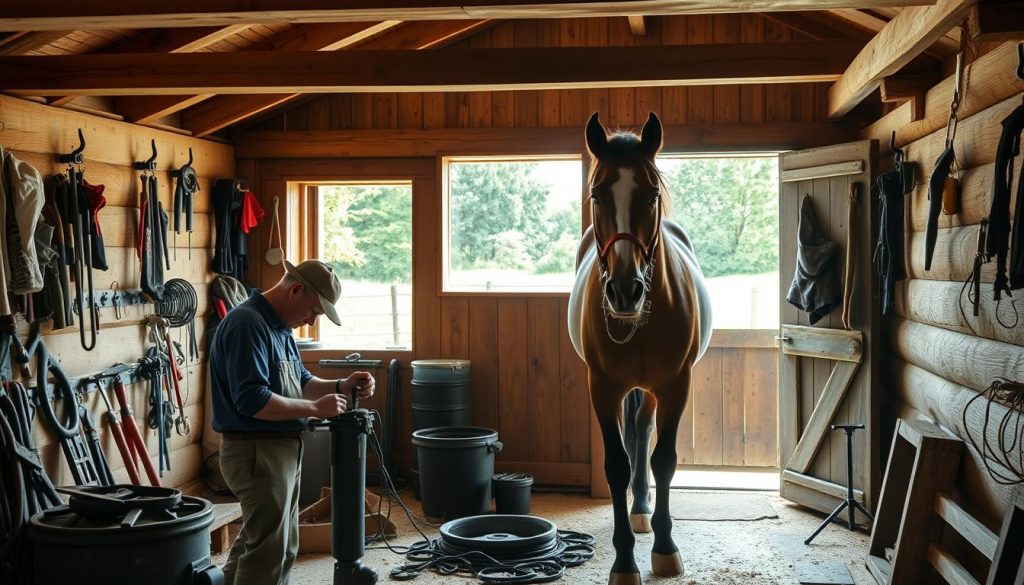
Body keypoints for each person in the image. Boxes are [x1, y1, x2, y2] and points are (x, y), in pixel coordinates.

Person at [209, 259, 375, 585]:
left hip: (280, 449)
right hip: (256, 451)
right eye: (313, 311)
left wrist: (342, 386)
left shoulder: (280, 328)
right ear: (295, 290)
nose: (311, 321)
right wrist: (315, 407)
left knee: (276, 542)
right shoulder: (248, 325)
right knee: (269, 550)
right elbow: (252, 400)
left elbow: (301, 380)